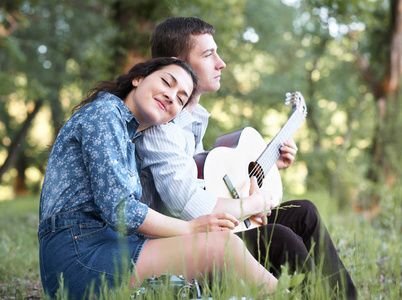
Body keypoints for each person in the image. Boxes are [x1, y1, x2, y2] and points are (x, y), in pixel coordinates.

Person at [135, 17, 357, 299]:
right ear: (177, 63)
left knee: (304, 212)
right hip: (181, 244)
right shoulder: (162, 127)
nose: (221, 63)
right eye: (208, 54)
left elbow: (206, 181)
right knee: (280, 237)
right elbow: (191, 207)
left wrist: (266, 169)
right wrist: (253, 203)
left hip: (212, 228)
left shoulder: (190, 121)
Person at [38, 57, 279, 299]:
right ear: (138, 78)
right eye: (166, 82)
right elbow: (121, 209)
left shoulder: (127, 134)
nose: (171, 96)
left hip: (109, 246)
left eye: (181, 98)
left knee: (220, 252)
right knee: (223, 247)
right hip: (79, 255)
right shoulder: (105, 114)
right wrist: (190, 228)